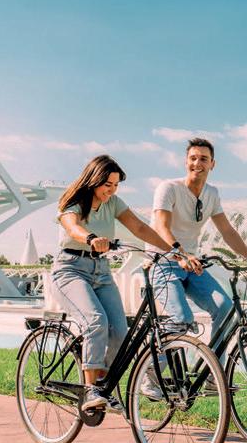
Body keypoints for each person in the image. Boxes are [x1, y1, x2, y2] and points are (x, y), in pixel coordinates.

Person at [145, 138, 247, 401]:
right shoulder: (168, 188)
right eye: (193, 158)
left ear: (213, 164)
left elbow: (227, 230)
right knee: (181, 318)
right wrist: (180, 253)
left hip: (192, 264)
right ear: (185, 161)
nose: (197, 163)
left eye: (203, 159)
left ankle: (213, 375)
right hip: (163, 262)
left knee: (225, 309)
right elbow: (161, 227)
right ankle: (150, 376)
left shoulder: (211, 193)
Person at [52, 155, 173, 413]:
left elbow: (140, 228)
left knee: (120, 332)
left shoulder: (114, 203)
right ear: (94, 180)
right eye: (108, 184)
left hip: (102, 271)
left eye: (116, 185)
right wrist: (91, 238)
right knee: (95, 322)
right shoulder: (74, 202)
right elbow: (72, 228)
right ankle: (90, 390)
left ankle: (103, 386)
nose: (112, 190)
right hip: (70, 270)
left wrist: (173, 251)